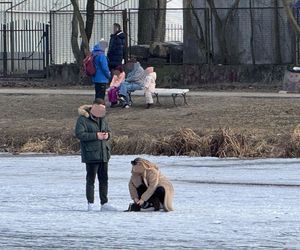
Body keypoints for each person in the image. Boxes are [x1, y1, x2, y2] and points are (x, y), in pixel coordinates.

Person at [75, 98, 115, 212]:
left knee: (104, 179)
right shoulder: (82, 119)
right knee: (91, 180)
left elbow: (109, 131)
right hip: (91, 154)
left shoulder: (104, 119)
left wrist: (107, 135)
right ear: (93, 106)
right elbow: (80, 134)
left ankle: (104, 203)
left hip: (104, 154)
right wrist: (96, 136)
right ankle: (90, 204)